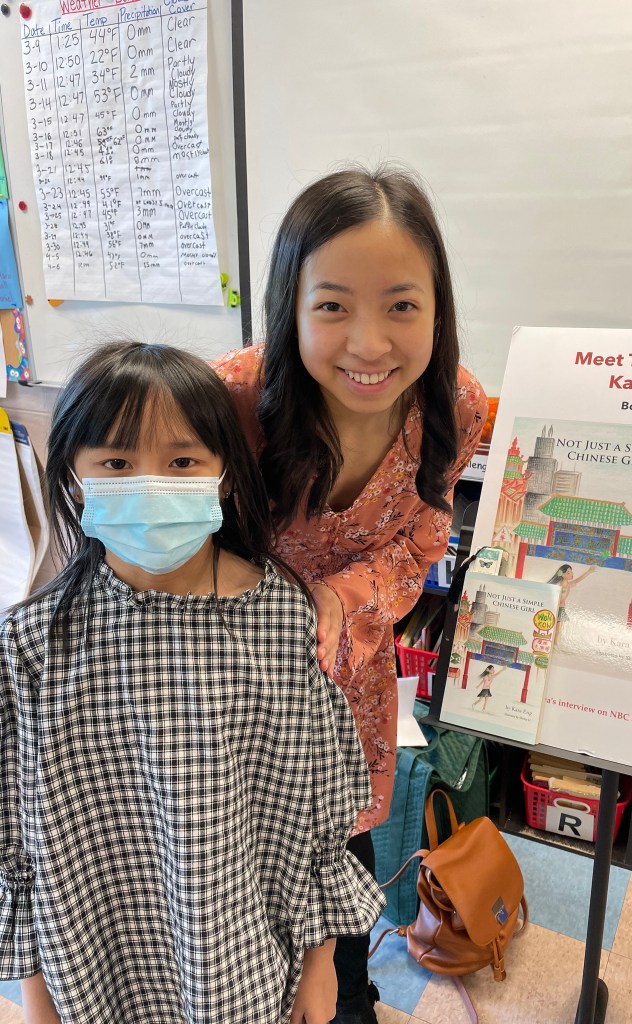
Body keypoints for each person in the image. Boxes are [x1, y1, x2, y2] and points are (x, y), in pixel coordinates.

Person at [0, 341, 385, 1024]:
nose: (150, 484)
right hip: (97, 964)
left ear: (226, 475)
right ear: (73, 477)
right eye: (116, 463)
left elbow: (317, 818)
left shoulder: (279, 620)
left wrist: (320, 963)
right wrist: (36, 998)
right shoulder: (33, 645)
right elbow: (14, 843)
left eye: (182, 462)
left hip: (239, 961)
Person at [213, 165, 488, 1024]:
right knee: (236, 884)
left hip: (351, 686)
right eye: (332, 305)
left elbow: (424, 538)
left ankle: (349, 998)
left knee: (340, 867)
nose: (369, 344)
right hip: (234, 691)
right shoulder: (231, 401)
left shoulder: (455, 404)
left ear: (437, 310)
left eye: (401, 305)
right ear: (289, 307)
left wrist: (336, 604)